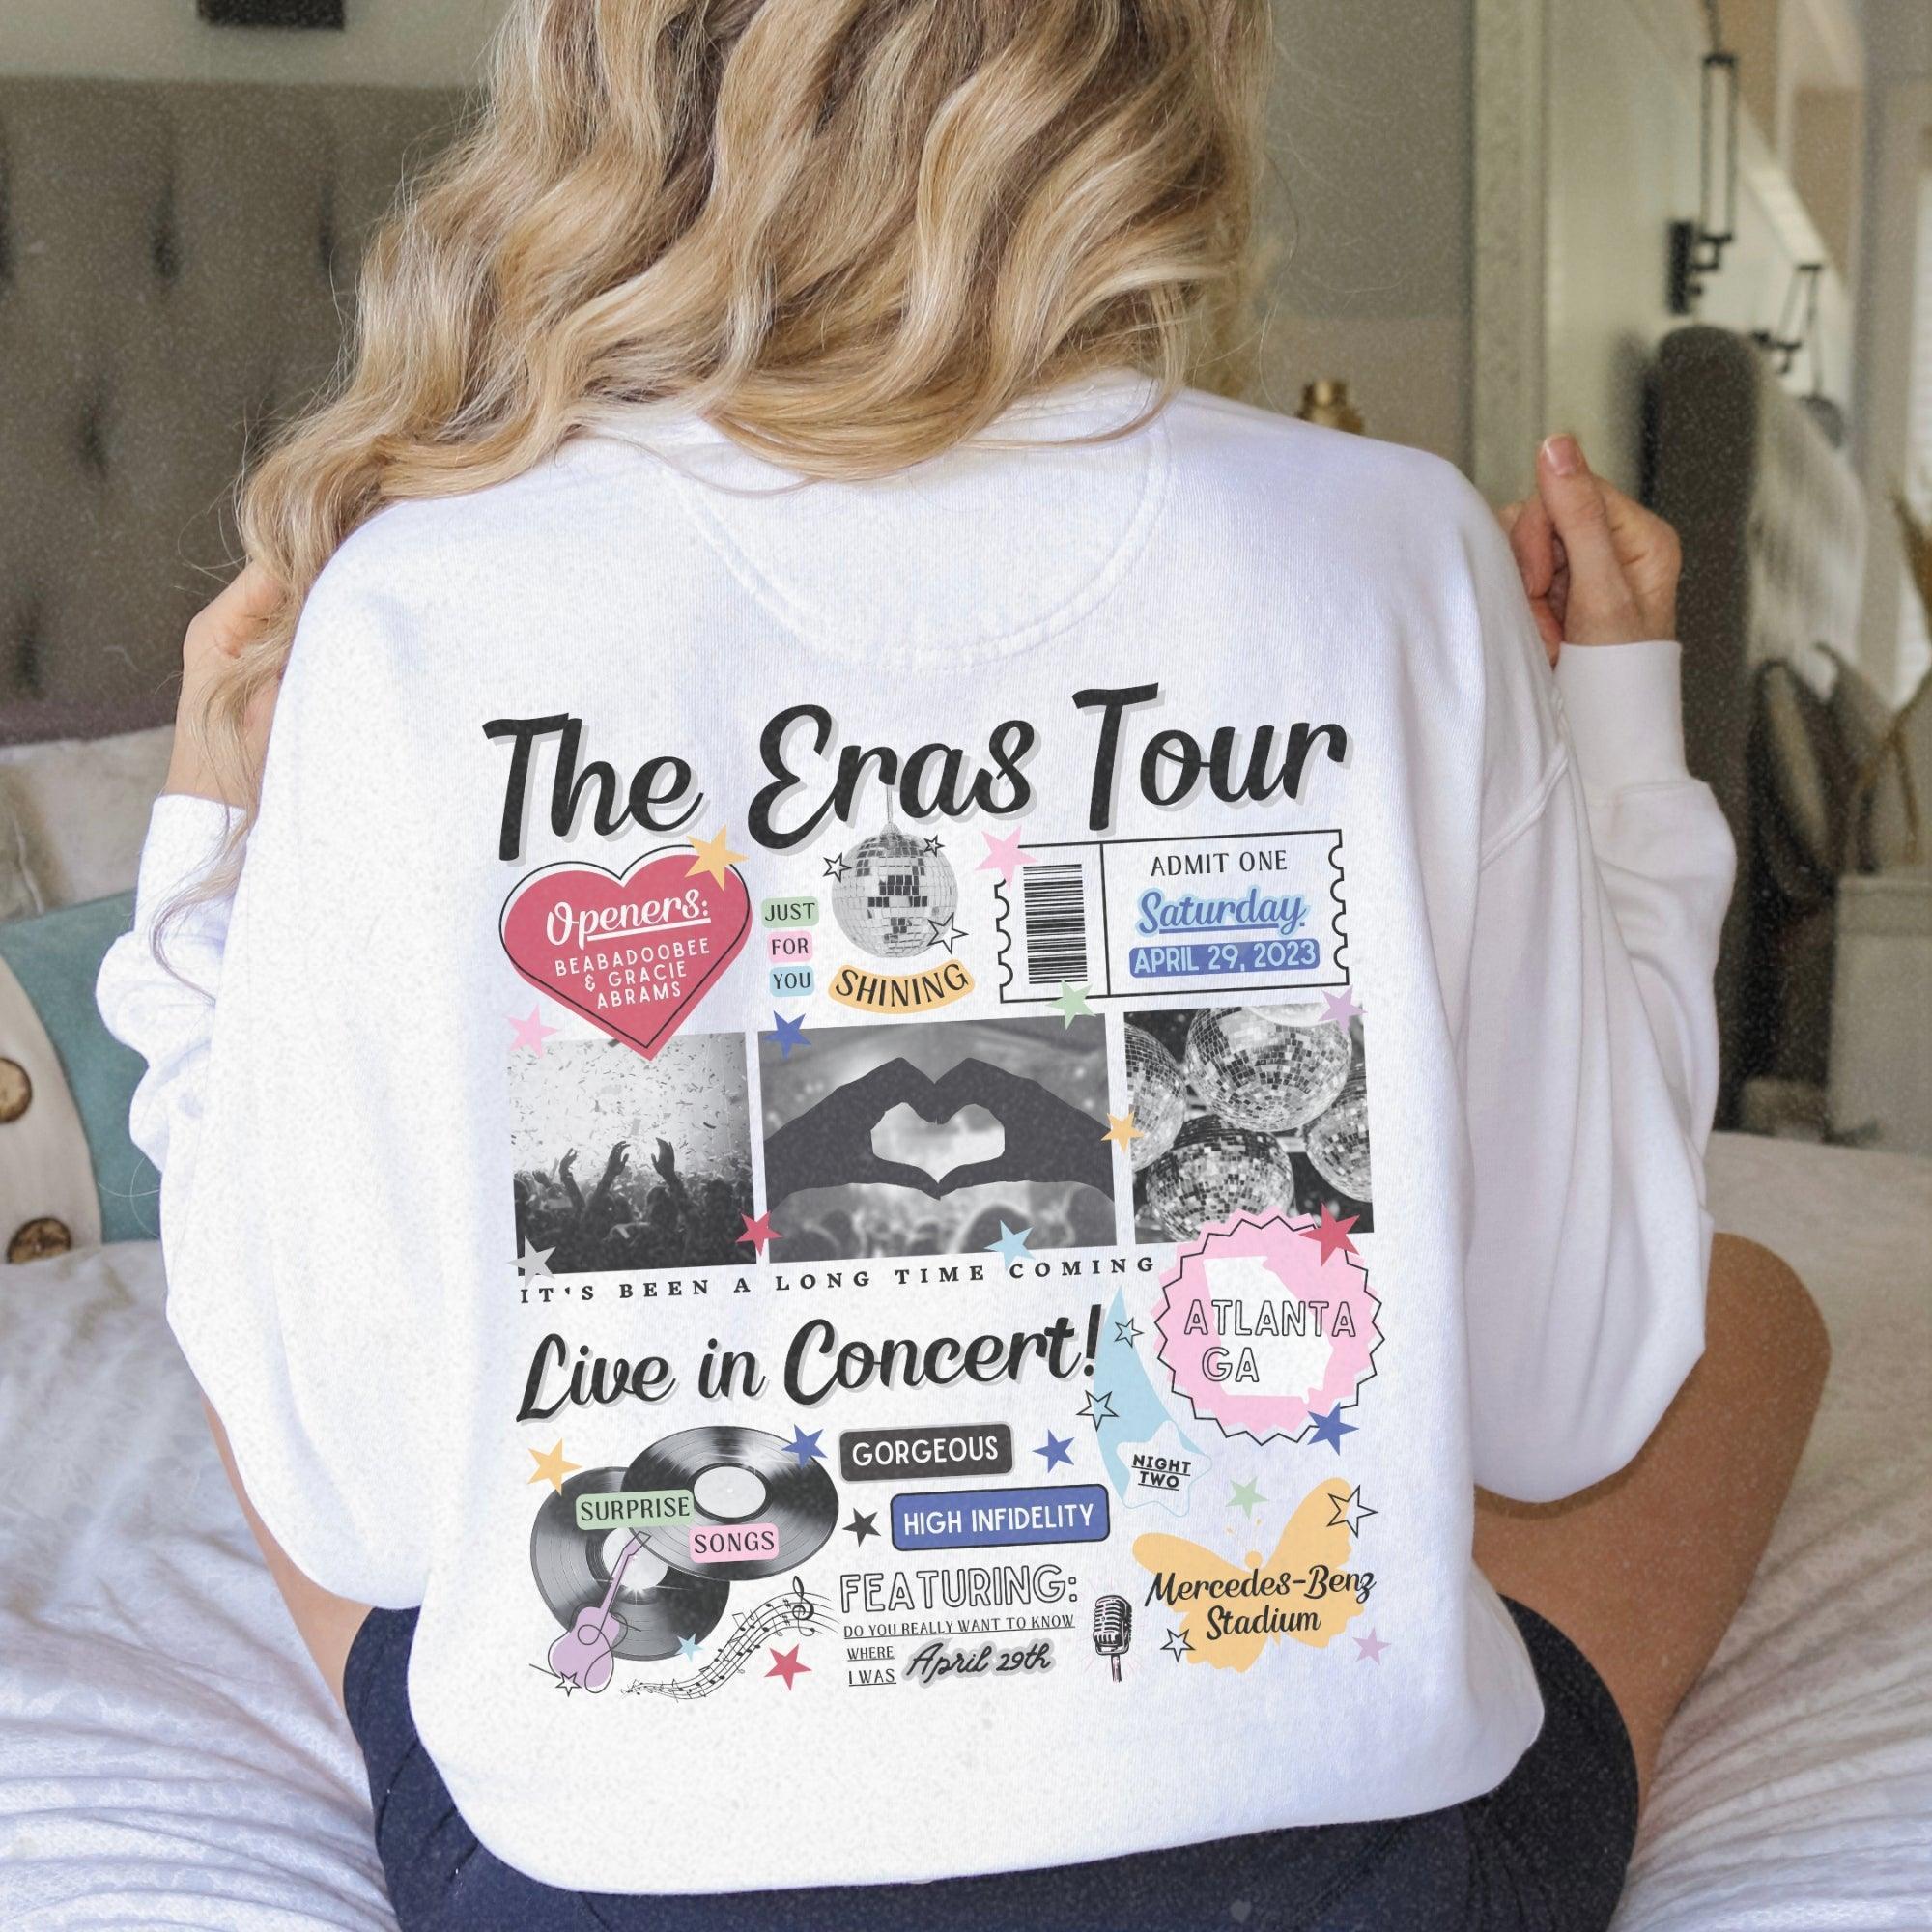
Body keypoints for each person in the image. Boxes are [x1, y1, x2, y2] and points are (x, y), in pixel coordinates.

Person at [97, 4, 1828, 1927]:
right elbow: (1567, 1402)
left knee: (298, 1390)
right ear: (1160, 70)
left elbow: (355, 1496)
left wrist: (201, 882)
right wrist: (1613, 766)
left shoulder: (419, 605)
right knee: (1742, 1308)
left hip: (617, 1895)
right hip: (1325, 1893)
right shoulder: (1384, 547)